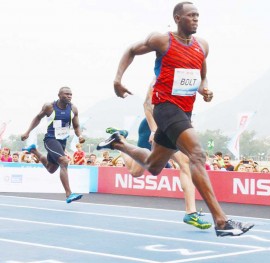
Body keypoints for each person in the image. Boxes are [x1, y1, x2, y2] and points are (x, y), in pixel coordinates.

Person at [97, 2, 254, 236]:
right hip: (165, 107)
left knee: (153, 166)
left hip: (185, 110)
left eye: (198, 16)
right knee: (197, 155)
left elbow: (202, 75)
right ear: (178, 18)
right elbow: (131, 50)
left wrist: (205, 90)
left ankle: (117, 143)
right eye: (191, 16)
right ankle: (221, 221)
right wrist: (117, 80)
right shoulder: (162, 40)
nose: (196, 19)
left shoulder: (202, 46)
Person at [105, 81, 212, 230]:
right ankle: (120, 141)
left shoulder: (188, 74)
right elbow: (147, 105)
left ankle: (190, 213)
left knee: (186, 162)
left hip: (173, 125)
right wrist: (154, 130)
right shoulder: (160, 75)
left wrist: (205, 93)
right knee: (136, 172)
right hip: (153, 127)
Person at [21, 87, 85, 203]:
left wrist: (79, 136)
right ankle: (69, 194)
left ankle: (34, 150)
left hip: (62, 141)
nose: (69, 96)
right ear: (59, 95)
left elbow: (76, 126)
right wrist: (27, 132)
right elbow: (38, 118)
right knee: (64, 161)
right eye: (66, 94)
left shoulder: (73, 109)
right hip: (50, 139)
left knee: (51, 169)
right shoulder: (49, 107)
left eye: (71, 94)